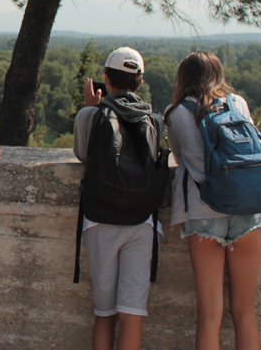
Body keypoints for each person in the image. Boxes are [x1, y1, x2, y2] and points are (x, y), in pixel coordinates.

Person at [164, 51, 261, 350]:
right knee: (245, 310)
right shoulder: (238, 103)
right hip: (247, 206)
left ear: (183, 78)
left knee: (210, 314)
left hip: (203, 210)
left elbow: (179, 157)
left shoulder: (176, 112)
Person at [73, 46, 162, 350]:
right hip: (141, 221)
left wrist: (92, 109)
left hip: (100, 218)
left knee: (104, 313)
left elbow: (84, 155)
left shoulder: (90, 115)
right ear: (140, 82)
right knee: (132, 313)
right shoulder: (154, 120)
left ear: (106, 79)